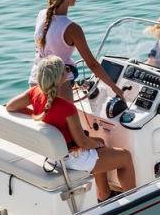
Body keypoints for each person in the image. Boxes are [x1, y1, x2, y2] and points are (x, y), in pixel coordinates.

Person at [9, 56, 136, 202]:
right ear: (60, 77)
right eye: (65, 69)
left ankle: (104, 194)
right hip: (72, 159)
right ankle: (134, 201)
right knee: (125, 157)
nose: (68, 71)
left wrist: (36, 115)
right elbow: (83, 143)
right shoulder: (67, 108)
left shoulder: (34, 92)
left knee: (99, 141)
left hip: (53, 155)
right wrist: (97, 145)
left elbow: (11, 106)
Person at [29, 0, 124, 99]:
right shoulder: (72, 29)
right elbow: (92, 64)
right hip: (59, 84)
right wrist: (114, 87)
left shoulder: (41, 15)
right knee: (66, 112)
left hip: (36, 78)